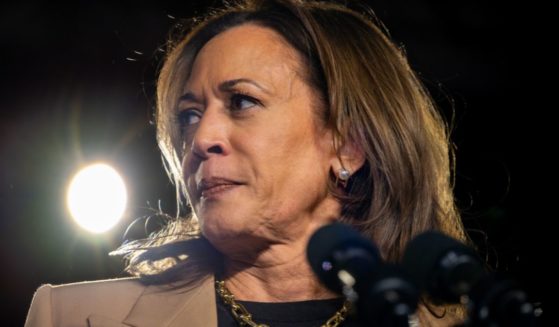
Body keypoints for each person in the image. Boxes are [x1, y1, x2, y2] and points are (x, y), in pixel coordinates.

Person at [25, 0, 468, 326]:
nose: (201, 139)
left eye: (242, 101)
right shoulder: (68, 316)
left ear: (348, 147)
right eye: (189, 116)